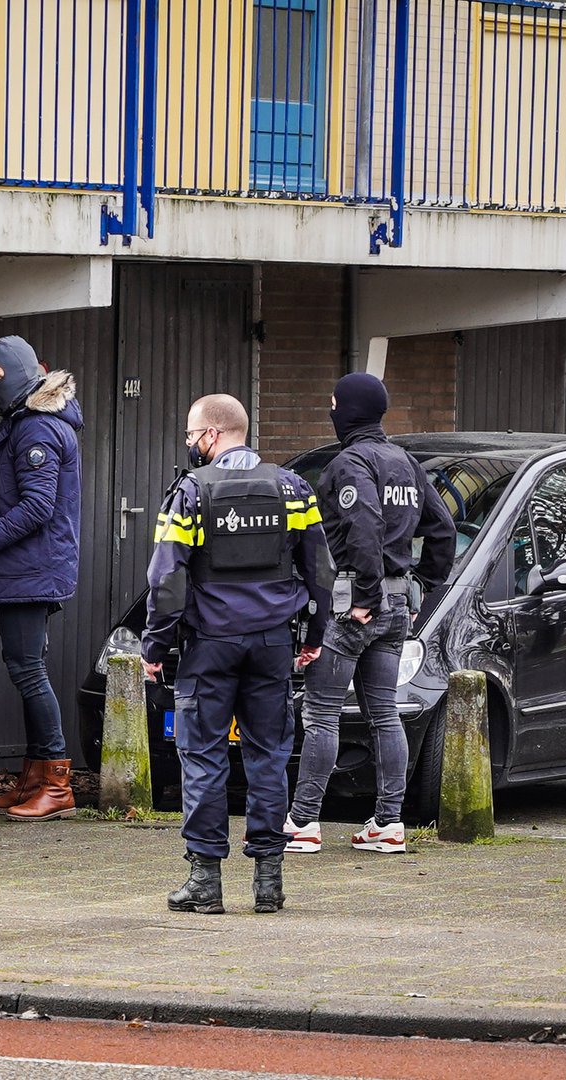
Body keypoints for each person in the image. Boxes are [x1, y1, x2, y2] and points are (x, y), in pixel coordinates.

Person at [143, 394, 334, 915]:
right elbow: (320, 569)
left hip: (209, 645)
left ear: (211, 434)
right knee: (268, 755)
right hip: (272, 643)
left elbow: (166, 579)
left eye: (191, 435)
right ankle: (269, 881)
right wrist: (314, 635)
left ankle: (205, 882)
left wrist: (154, 646)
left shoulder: (191, 493)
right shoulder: (292, 489)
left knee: (203, 757)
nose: (190, 444)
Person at [284, 373, 455, 856]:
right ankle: (388, 823)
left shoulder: (349, 463)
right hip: (397, 605)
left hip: (352, 606)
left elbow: (363, 525)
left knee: (321, 714)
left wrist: (363, 594)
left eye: (334, 403)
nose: (331, 411)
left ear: (349, 410)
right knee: (383, 713)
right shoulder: (407, 463)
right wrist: (421, 585)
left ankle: (302, 822)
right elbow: (442, 528)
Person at [0, 336, 84, 822]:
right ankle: (34, 778)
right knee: (24, 665)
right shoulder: (22, 421)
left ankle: (56, 784)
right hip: (24, 568)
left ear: (22, 373)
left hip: (30, 569)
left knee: (28, 669)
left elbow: (36, 507)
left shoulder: (36, 428)